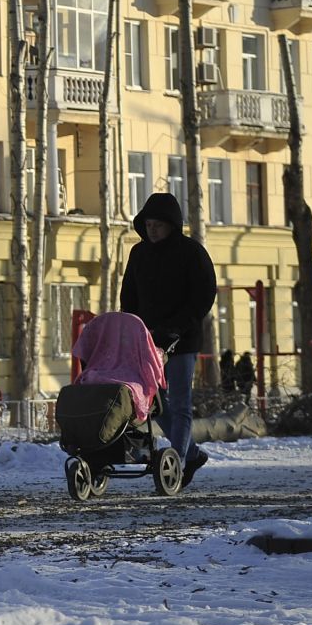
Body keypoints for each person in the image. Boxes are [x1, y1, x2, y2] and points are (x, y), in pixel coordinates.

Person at [119, 192, 218, 487]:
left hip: (182, 339)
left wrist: (181, 326)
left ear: (172, 225)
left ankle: (179, 461)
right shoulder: (139, 254)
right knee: (154, 403)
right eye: (148, 225)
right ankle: (189, 452)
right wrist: (131, 324)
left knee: (181, 403)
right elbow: (129, 294)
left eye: (158, 225)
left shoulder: (191, 252)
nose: (152, 230)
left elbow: (203, 294)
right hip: (148, 340)